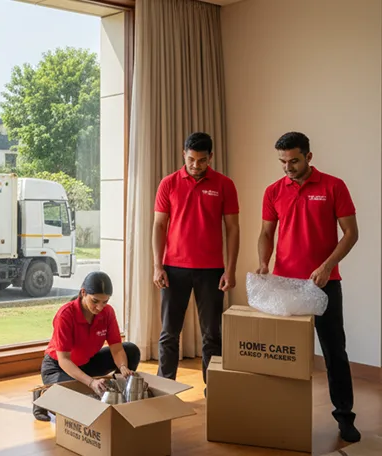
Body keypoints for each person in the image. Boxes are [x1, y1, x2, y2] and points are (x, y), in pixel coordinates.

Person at [256, 132, 361, 443]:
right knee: (281, 353)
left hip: (325, 284)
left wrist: (327, 266)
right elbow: (265, 233)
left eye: (294, 161)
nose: (288, 167)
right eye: (283, 162)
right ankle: (281, 414)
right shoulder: (274, 191)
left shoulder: (333, 186)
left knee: (334, 352)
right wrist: (263, 262)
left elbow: (351, 233)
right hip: (284, 285)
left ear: (309, 157)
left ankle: (345, 417)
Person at [152, 132, 240, 387]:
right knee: (169, 333)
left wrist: (230, 270)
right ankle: (164, 388)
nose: (195, 165)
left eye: (202, 160)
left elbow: (233, 228)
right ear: (184, 154)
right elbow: (159, 225)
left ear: (210, 157)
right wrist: (158, 267)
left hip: (211, 270)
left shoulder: (225, 185)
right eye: (191, 159)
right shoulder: (168, 184)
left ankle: (214, 391)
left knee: (212, 335)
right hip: (173, 268)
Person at [32, 271, 141, 422]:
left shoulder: (107, 313)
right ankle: (44, 395)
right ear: (83, 293)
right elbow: (64, 360)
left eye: (105, 302)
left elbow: (116, 348)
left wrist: (122, 367)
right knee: (76, 408)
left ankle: (114, 391)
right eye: (95, 301)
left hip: (86, 363)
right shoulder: (65, 315)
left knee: (131, 350)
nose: (100, 307)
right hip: (59, 367)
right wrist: (91, 382)